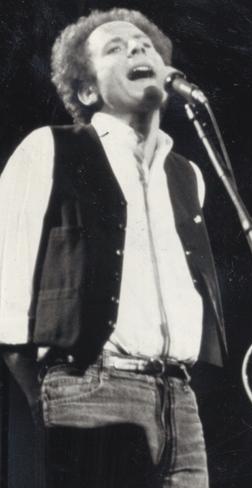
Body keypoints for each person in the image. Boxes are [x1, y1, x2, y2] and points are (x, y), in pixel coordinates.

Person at [0, 8, 227, 488]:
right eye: (116, 48)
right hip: (91, 387)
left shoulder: (188, 175)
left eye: (144, 45)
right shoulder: (51, 148)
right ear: (87, 90)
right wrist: (40, 391)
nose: (138, 48)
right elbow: (8, 278)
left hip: (180, 401)